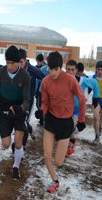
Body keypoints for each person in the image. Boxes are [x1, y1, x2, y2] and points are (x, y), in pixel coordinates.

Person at [39, 51, 86, 193]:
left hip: (66, 123)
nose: (53, 73)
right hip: (51, 121)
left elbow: (82, 99)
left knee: (58, 161)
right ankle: (55, 181)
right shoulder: (45, 81)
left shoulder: (70, 80)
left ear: (61, 67)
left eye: (56, 69)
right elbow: (45, 102)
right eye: (50, 69)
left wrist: (81, 120)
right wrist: (42, 111)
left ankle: (70, 143)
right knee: (47, 155)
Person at [0, 46, 30, 179]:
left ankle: (16, 167)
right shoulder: (1, 72)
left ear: (19, 62)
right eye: (7, 62)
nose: (9, 66)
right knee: (6, 144)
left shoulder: (25, 76)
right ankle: (12, 136)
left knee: (19, 144)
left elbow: (27, 99)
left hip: (18, 109)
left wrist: (20, 108)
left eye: (12, 63)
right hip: (4, 109)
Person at [64, 60, 99, 156]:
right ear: (65, 70)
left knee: (71, 126)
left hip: (77, 109)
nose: (70, 72)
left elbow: (95, 84)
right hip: (66, 108)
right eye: (68, 69)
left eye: (72, 70)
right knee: (67, 129)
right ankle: (71, 141)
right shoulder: (62, 80)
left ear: (76, 70)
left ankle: (69, 146)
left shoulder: (83, 80)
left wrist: (95, 97)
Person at [19, 48, 45, 144]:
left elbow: (45, 79)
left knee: (24, 121)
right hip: (18, 100)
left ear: (25, 60)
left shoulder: (32, 70)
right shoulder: (16, 69)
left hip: (29, 100)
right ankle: (29, 131)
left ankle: (23, 146)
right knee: (19, 121)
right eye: (17, 62)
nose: (19, 64)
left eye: (21, 62)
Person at [92, 60, 102, 144]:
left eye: (101, 69)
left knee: (100, 119)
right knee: (96, 118)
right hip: (96, 99)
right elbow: (87, 89)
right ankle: (97, 136)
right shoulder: (93, 78)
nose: (100, 71)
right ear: (96, 69)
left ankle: (100, 128)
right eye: (98, 69)